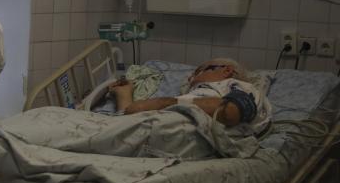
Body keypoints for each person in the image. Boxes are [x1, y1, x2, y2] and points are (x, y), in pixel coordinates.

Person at [110, 58, 272, 135]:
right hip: (141, 132)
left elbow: (231, 112)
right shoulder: (195, 97)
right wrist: (124, 94)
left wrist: (168, 102)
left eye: (198, 71)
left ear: (226, 70)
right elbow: (126, 118)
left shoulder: (240, 88)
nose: (190, 78)